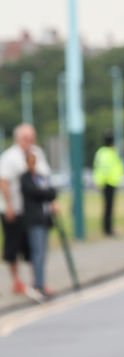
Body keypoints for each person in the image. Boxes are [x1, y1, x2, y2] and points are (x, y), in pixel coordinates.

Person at [0, 123, 51, 296]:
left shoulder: (37, 153)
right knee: (13, 246)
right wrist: (8, 206)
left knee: (34, 247)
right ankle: (16, 281)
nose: (29, 141)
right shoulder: (9, 157)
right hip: (15, 208)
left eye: (31, 138)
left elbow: (44, 178)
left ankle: (37, 281)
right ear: (18, 138)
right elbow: (4, 182)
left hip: (33, 210)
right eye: (25, 138)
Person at [20, 151, 58, 299]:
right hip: (33, 220)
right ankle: (38, 285)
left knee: (43, 254)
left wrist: (45, 192)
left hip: (44, 220)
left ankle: (41, 283)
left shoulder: (41, 177)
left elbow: (52, 192)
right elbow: (35, 192)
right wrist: (45, 192)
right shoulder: (25, 178)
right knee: (37, 253)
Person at [92, 133, 124, 236]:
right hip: (109, 182)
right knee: (108, 207)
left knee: (108, 207)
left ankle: (108, 228)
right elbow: (113, 167)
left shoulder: (101, 153)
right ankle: (107, 229)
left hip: (107, 182)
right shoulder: (111, 152)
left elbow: (98, 167)